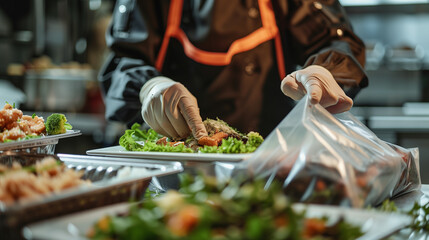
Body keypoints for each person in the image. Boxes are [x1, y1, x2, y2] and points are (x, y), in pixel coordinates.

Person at [99, 0, 368, 140]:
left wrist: (323, 72)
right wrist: (149, 88)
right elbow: (124, 60)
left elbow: (335, 39)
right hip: (175, 166)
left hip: (271, 159)